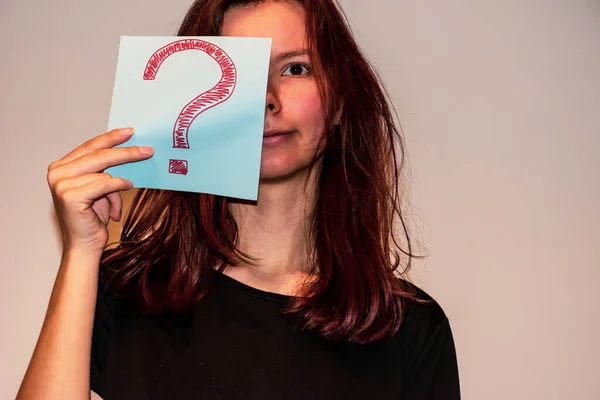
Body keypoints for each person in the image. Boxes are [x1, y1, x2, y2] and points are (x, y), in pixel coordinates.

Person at [17, 0, 460, 399]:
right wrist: (80, 254)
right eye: (238, 76)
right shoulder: (125, 290)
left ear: (341, 99)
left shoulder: (410, 329)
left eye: (296, 69)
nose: (265, 100)